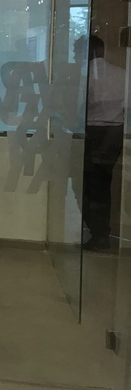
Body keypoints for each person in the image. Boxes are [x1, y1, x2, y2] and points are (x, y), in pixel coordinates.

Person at [74, 35, 125, 250]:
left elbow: (79, 108)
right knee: (102, 184)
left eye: (77, 52)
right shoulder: (122, 74)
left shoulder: (85, 76)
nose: (75, 56)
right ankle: (100, 232)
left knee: (87, 185)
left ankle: (98, 234)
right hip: (116, 132)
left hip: (92, 132)